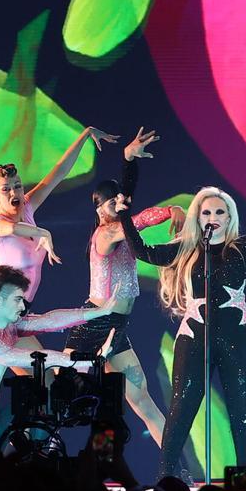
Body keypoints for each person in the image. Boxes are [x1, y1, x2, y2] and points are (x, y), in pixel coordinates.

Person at [117, 185, 246, 480]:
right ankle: (167, 478)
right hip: (195, 335)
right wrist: (123, 216)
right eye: (207, 212)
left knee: (242, 409)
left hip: (239, 337)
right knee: (182, 405)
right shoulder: (187, 247)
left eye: (220, 212)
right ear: (198, 216)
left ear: (229, 216)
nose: (213, 217)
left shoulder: (241, 247)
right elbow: (142, 251)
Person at [64, 128, 184, 448]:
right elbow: (140, 219)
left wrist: (130, 161)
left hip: (116, 329)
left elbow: (132, 215)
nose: (116, 208)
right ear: (99, 209)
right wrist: (171, 210)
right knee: (62, 405)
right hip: (93, 326)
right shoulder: (105, 235)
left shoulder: (123, 231)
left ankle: (172, 470)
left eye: (118, 203)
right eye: (110, 204)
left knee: (141, 400)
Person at [0, 266, 121, 450]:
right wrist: (91, 359)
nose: (22, 306)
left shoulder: (9, 327)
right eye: (17, 300)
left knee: (37, 404)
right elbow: (41, 358)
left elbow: (49, 320)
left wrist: (99, 312)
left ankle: (37, 457)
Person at [0, 126, 119, 362]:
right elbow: (12, 228)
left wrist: (85, 134)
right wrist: (43, 232)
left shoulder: (26, 209)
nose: (13, 192)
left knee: (47, 381)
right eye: (5, 189)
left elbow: (58, 173)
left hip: (19, 313)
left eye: (17, 186)